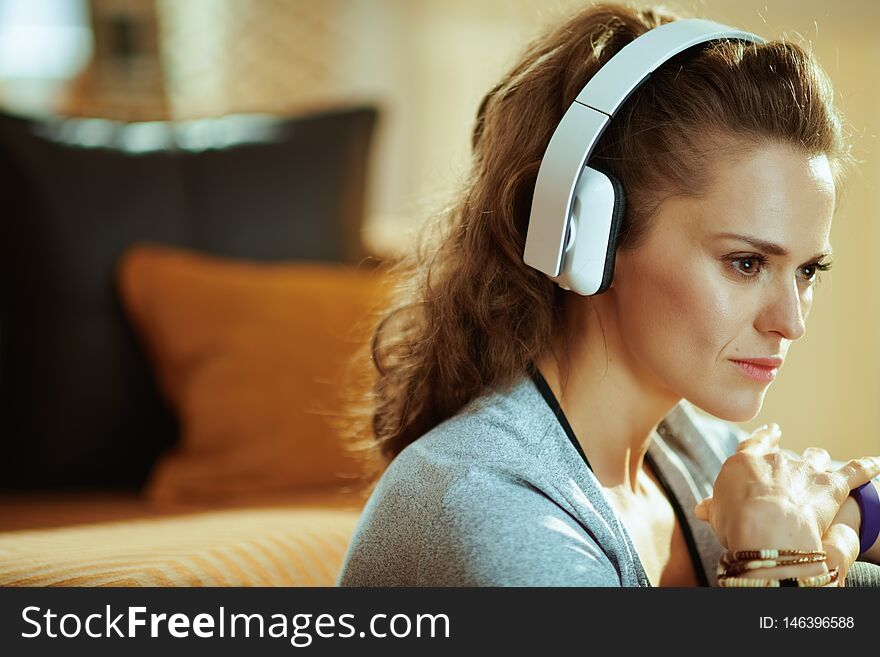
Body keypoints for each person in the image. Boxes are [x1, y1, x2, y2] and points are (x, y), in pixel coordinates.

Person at [336, 2, 880, 587]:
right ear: (590, 240)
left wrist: (853, 517)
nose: (791, 322)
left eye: (808, 271)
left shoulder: (695, 454)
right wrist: (774, 563)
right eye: (746, 263)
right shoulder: (492, 510)